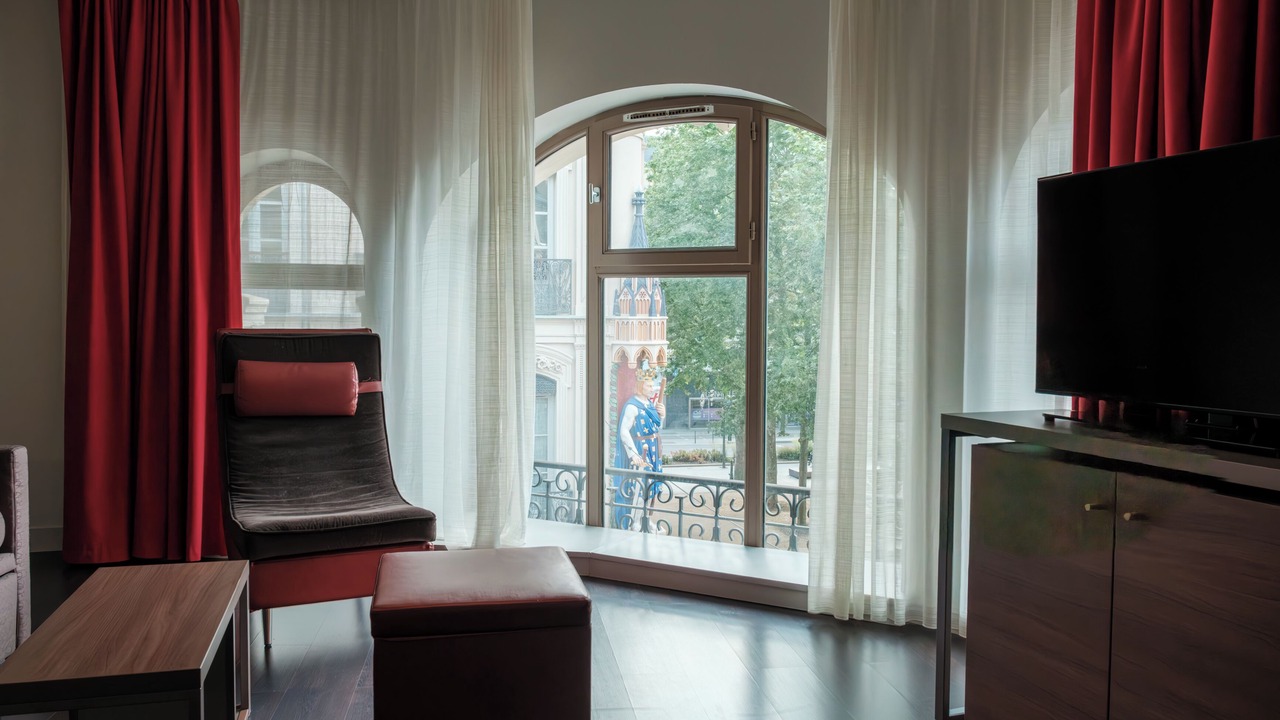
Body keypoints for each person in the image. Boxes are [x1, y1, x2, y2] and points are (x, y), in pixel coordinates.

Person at [612, 360, 665, 529]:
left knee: (653, 486)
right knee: (639, 486)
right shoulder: (632, 406)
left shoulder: (650, 404)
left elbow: (655, 427)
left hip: (653, 451)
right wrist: (634, 455)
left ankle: (647, 519)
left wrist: (661, 415)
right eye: (649, 386)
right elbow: (623, 431)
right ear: (641, 386)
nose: (652, 388)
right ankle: (635, 520)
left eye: (653, 385)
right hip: (641, 451)